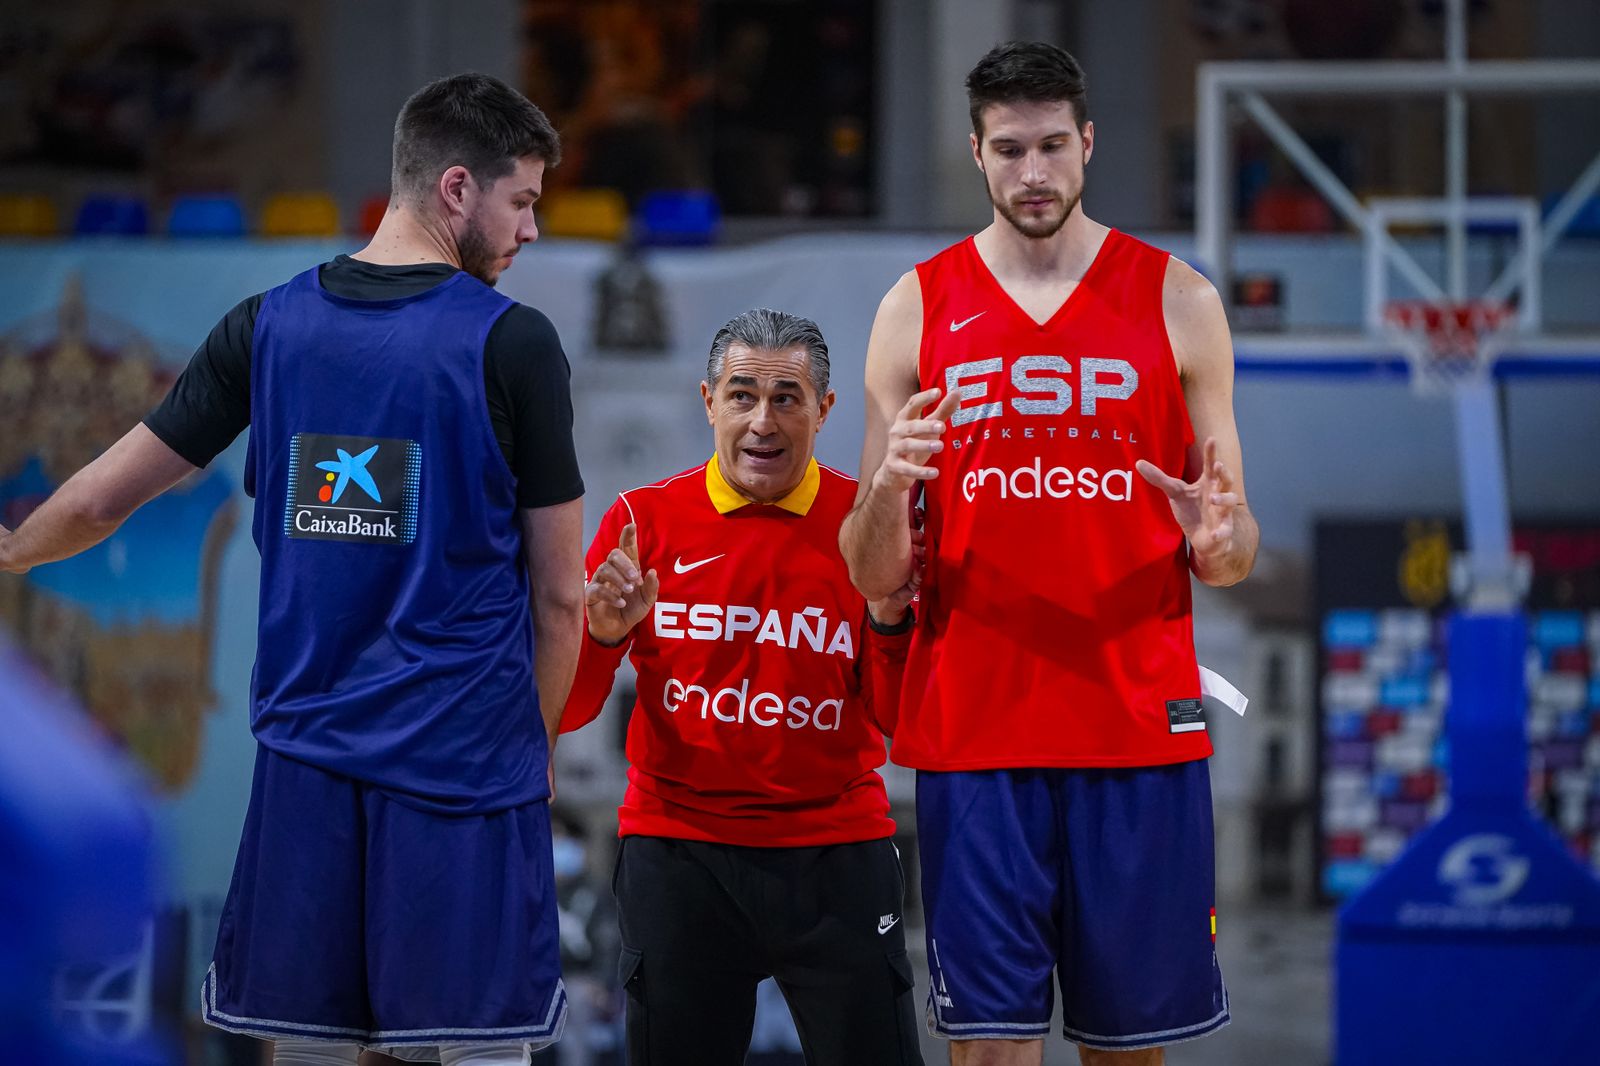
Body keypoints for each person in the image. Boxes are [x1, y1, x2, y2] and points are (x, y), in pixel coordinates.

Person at [0, 73, 586, 1066]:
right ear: (455, 189)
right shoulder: (513, 342)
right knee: (481, 1053)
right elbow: (562, 595)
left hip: (306, 768)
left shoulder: (263, 326)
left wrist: (9, 547)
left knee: (309, 1051)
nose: (530, 229)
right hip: (460, 774)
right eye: (521, 199)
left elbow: (98, 498)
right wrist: (518, 759)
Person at [839, 42, 1259, 1066]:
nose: (1035, 172)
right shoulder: (916, 305)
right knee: (990, 1050)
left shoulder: (1178, 299)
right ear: (977, 153)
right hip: (976, 732)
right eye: (1011, 149)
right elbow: (868, 570)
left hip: (1137, 730)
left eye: (1055, 146)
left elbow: (1232, 549)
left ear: (1088, 143)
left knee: (1130, 1049)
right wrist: (889, 485)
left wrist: (1220, 534)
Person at [564, 308, 925, 1066]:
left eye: (787, 397)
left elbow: (904, 725)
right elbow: (569, 708)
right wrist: (599, 634)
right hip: (679, 853)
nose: (763, 420)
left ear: (824, 411)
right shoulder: (641, 522)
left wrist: (891, 622)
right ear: (708, 401)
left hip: (835, 854)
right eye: (742, 395)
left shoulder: (867, 523)